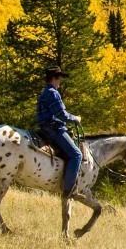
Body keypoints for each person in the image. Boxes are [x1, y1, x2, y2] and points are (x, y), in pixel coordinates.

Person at [35, 66, 83, 198]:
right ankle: (69, 190)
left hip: (45, 126)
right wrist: (75, 119)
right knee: (77, 154)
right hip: (52, 128)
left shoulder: (44, 92)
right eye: (59, 78)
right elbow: (61, 114)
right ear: (54, 78)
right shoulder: (52, 92)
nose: (60, 81)